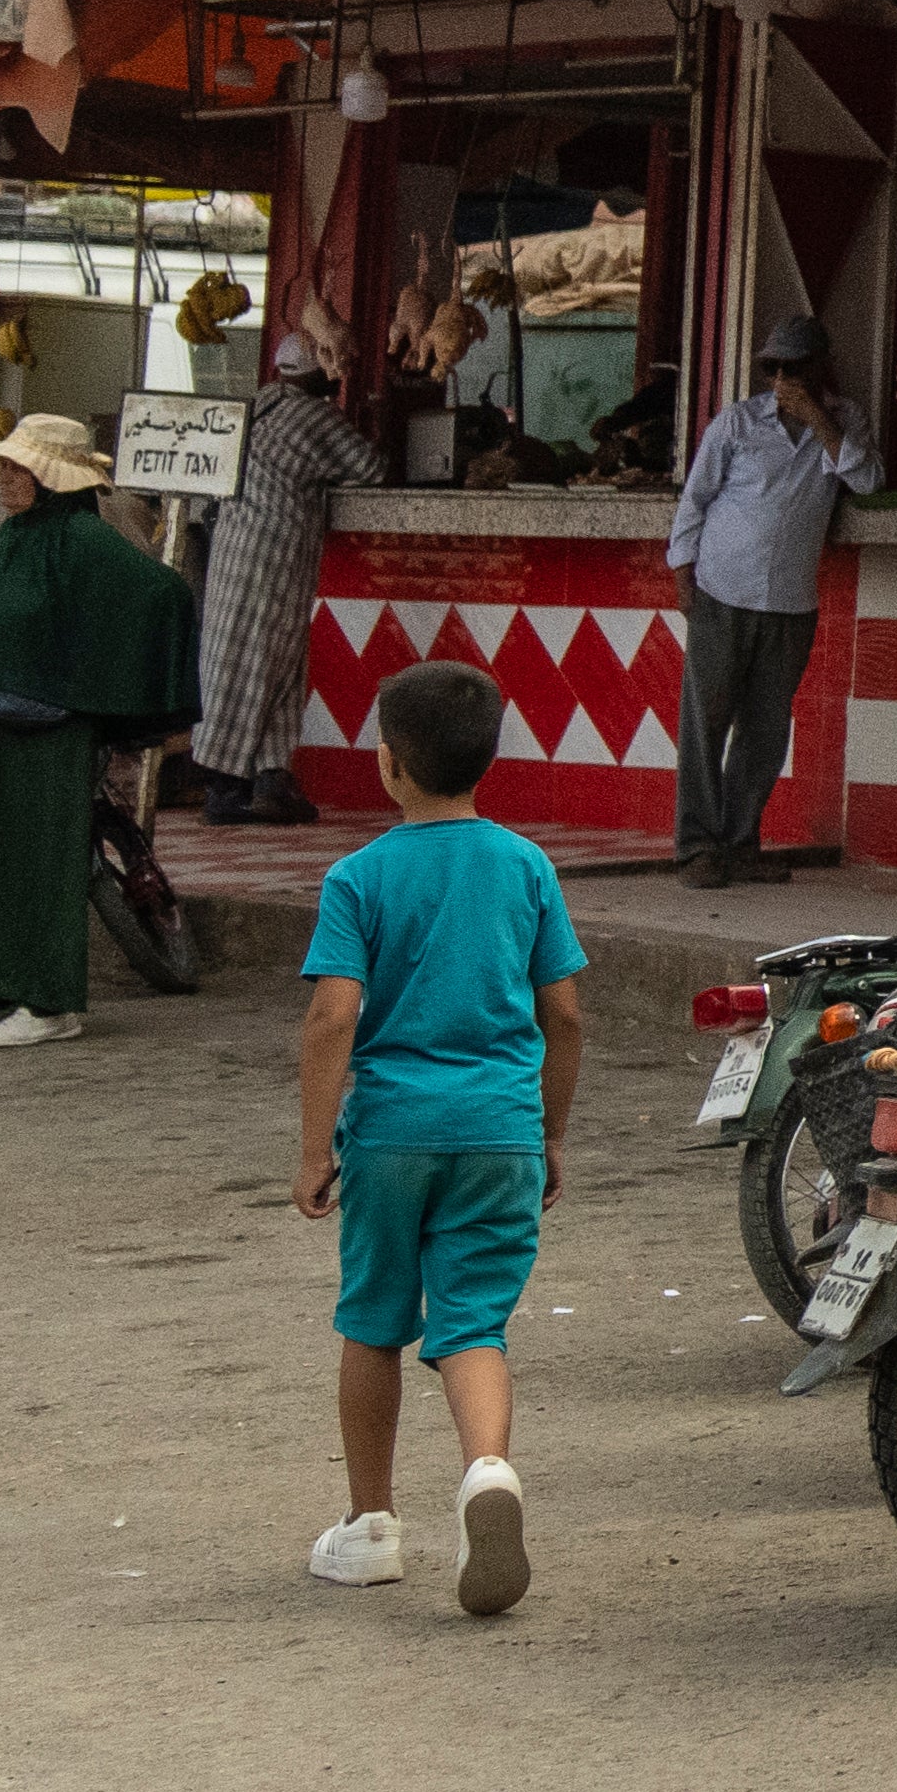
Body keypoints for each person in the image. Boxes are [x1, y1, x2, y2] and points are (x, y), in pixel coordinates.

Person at [294, 658, 586, 1615]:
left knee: (373, 1320)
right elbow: (566, 1014)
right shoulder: (526, 866)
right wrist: (548, 1135)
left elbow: (335, 1014)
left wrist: (311, 1148)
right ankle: (488, 1472)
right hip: (501, 1127)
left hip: (390, 1133)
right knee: (474, 1324)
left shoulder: (359, 876)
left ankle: (371, 1527)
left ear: (388, 765)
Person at [0, 416, 190, 1050]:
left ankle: (48, 1004)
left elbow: (161, 593)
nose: (3, 479)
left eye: (16, 468)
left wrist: (84, 674)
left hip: (38, 737)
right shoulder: (17, 535)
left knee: (32, 862)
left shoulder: (82, 537)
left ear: (51, 479)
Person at [661, 321, 876, 886]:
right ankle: (697, 848)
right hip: (721, 591)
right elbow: (695, 500)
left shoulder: (844, 421)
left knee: (764, 731)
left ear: (818, 370)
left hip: (789, 601)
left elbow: (868, 480)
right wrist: (683, 575)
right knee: (705, 725)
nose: (782, 380)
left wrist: (818, 421)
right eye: (774, 369)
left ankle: (739, 844)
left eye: (794, 368)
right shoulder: (736, 422)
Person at [183, 341, 364, 828]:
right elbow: (369, 466)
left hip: (231, 550)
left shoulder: (257, 404)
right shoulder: (314, 418)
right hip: (274, 555)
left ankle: (270, 777)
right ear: (315, 372)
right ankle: (226, 784)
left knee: (252, 659)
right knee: (260, 661)